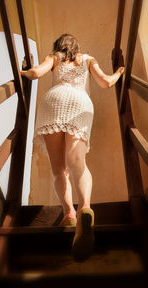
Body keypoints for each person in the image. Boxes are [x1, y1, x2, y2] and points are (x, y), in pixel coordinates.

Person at [21, 33, 124, 260]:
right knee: (77, 162)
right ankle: (85, 207)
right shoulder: (88, 59)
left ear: (58, 46)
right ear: (77, 47)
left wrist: (22, 71)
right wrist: (118, 72)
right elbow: (106, 82)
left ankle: (69, 213)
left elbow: (36, 73)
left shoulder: (55, 57)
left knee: (59, 169)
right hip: (79, 103)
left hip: (53, 102)